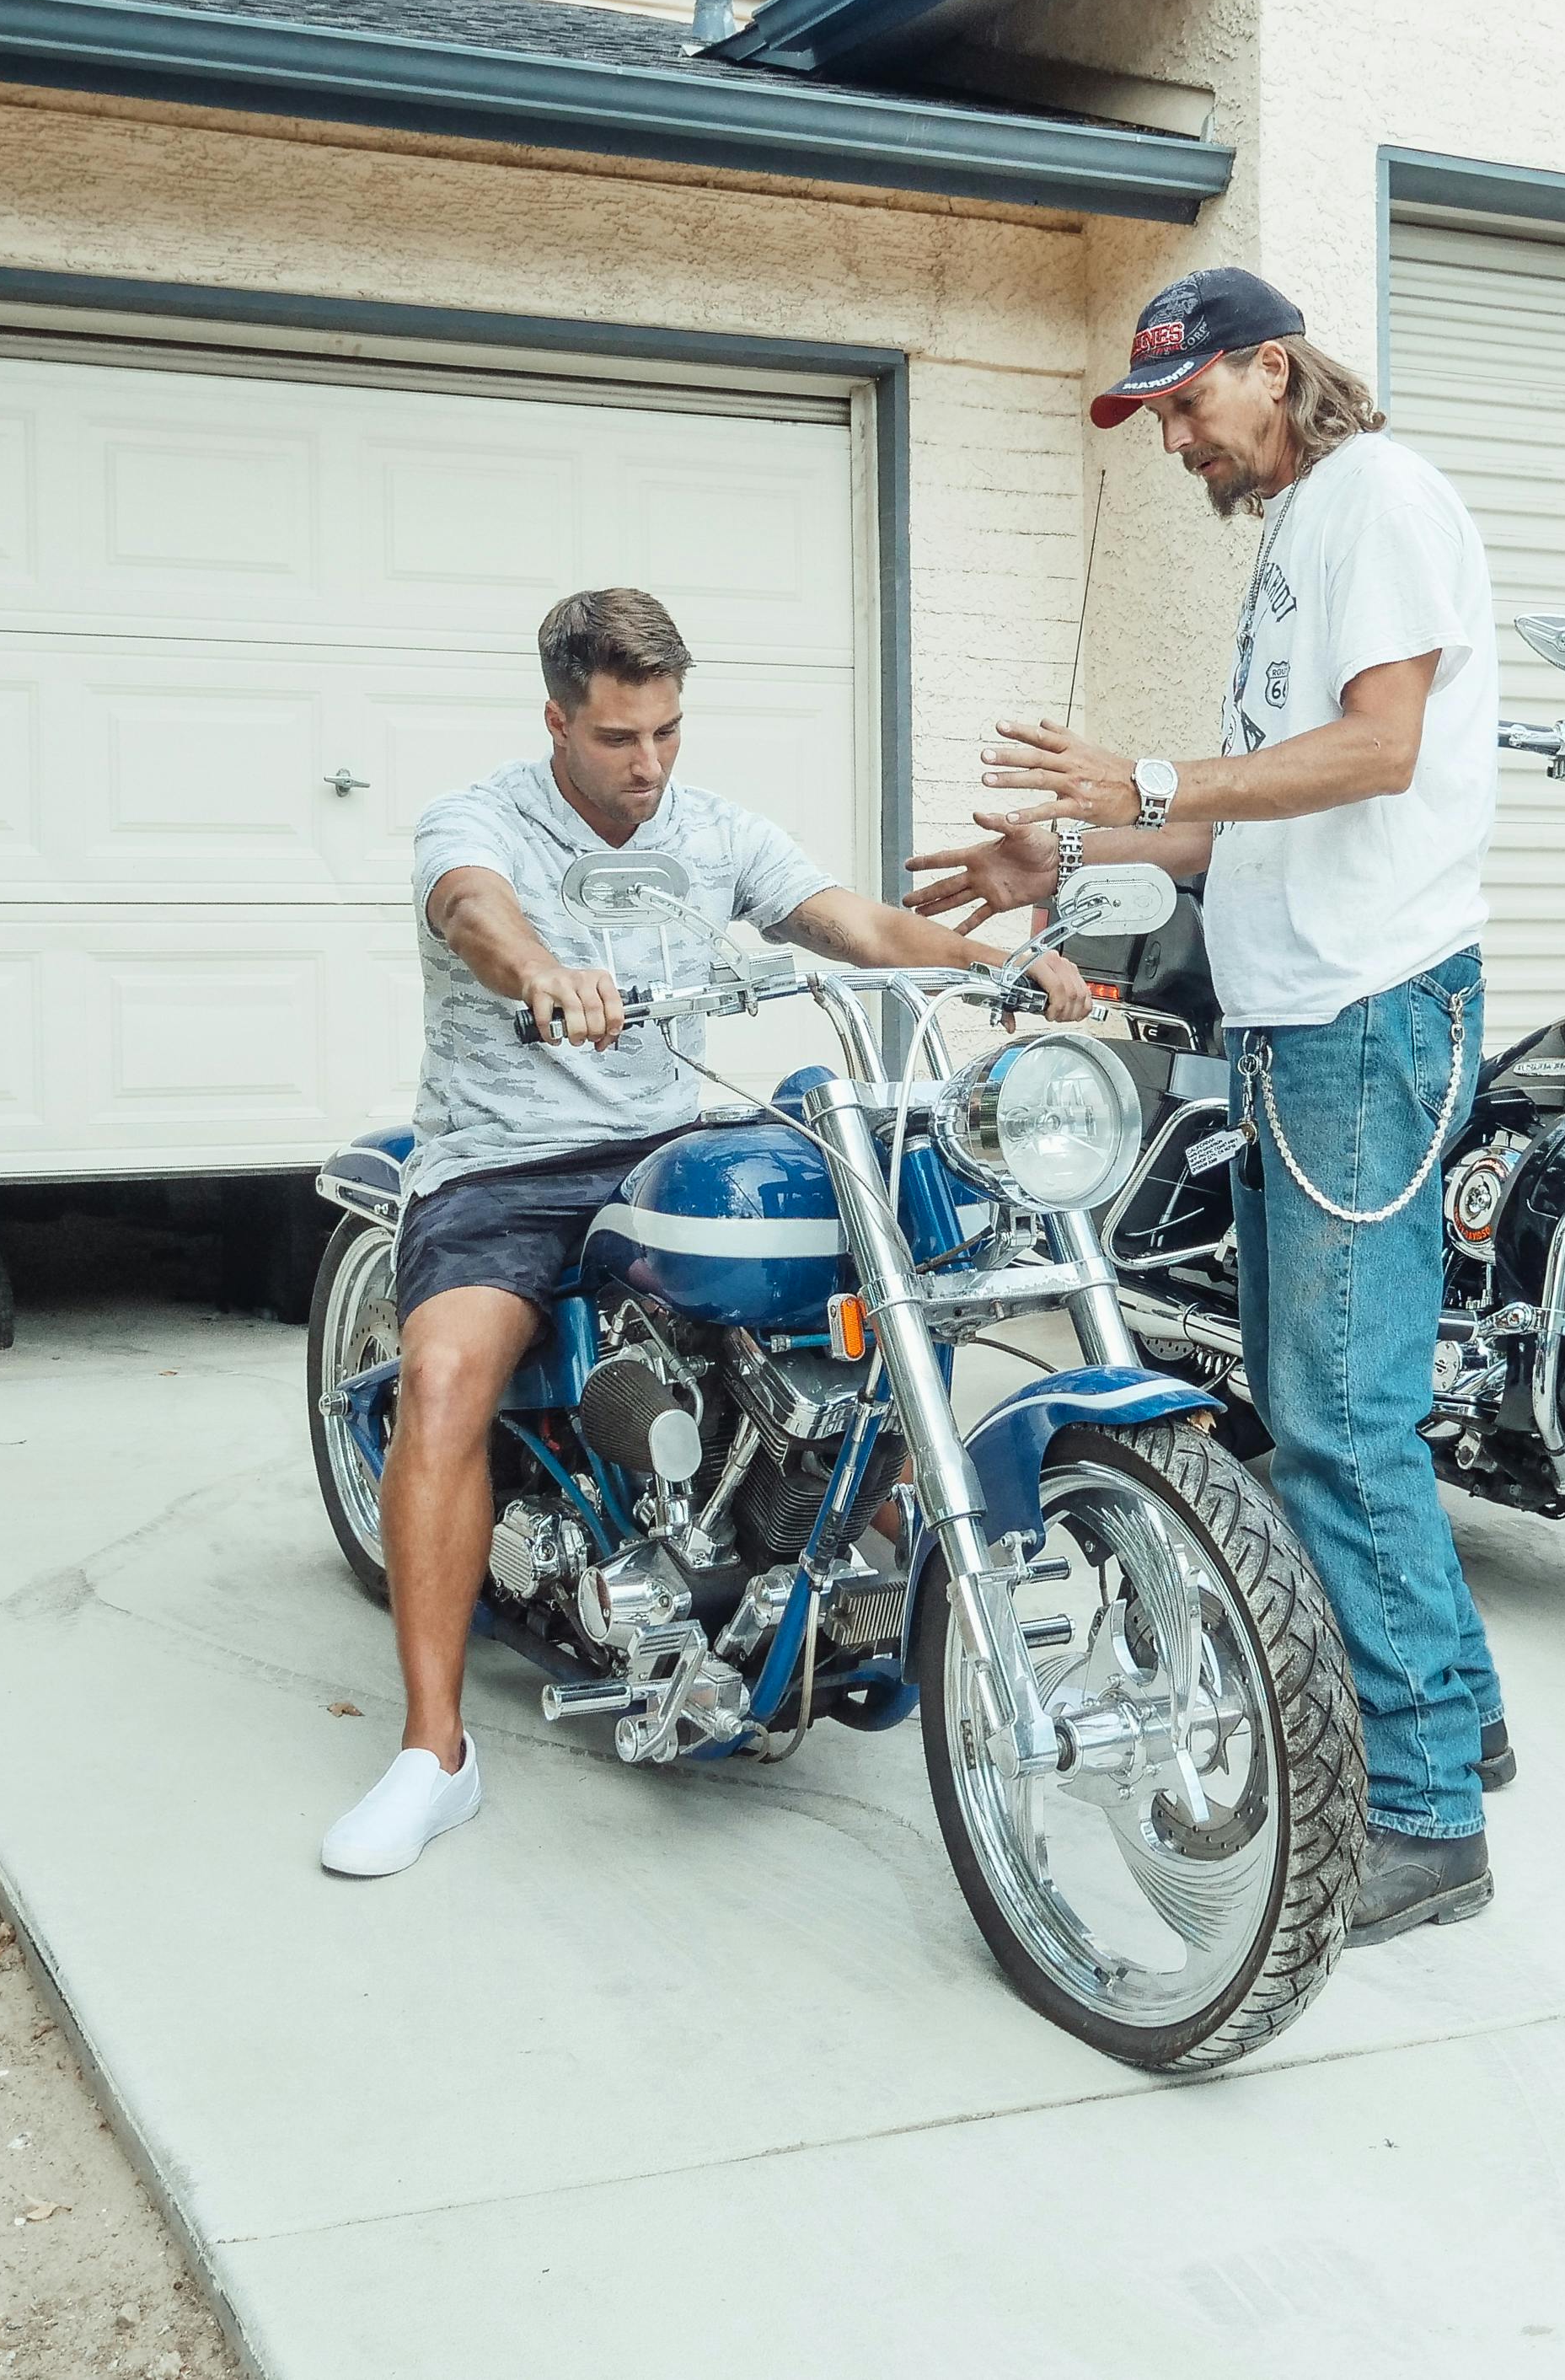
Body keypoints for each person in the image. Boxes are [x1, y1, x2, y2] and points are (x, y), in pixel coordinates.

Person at [905, 266, 1507, 1945]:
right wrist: (1077, 849)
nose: (1173, 437)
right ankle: (1464, 1715)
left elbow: (1378, 751)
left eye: (1186, 403)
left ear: (1271, 365)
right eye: (1156, 412)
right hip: (1306, 1019)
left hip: (1363, 1019)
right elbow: (1251, 815)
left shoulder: (1373, 497)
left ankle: (1422, 1815)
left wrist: (1151, 778)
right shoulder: (1304, 532)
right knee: (1329, 1406)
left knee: (1338, 1427)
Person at [321, 586, 1091, 1879]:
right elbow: (471, 908)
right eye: (621, 738)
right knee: (447, 1381)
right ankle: (433, 1752)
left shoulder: (712, 827)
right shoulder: (479, 818)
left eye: (669, 733)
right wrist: (541, 976)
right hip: (503, 1163)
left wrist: (985, 966)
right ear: (558, 720)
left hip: (664, 1148)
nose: (649, 766)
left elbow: (844, 921)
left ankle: (825, 1543)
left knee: (872, 1270)